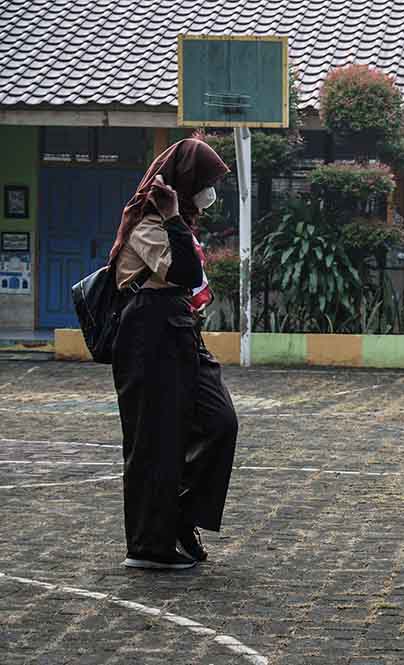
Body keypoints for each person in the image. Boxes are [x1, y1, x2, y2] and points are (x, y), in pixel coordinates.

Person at [110, 138, 238, 570]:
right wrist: (169, 215)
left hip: (179, 326)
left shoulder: (179, 222)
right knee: (155, 440)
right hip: (149, 328)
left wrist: (178, 219)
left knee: (220, 422)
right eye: (204, 181)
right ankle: (149, 545)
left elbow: (190, 282)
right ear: (183, 182)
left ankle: (182, 516)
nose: (210, 191)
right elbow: (182, 272)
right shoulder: (149, 222)